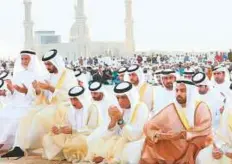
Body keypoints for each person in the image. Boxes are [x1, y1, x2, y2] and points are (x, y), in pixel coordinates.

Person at [1, 49, 76, 158]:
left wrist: (49, 87)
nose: (47, 67)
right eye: (46, 64)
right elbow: (41, 96)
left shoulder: (68, 74)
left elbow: (69, 95)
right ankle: (18, 147)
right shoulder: (48, 76)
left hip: (63, 105)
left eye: (49, 64)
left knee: (39, 117)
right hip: (48, 104)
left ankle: (27, 146)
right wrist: (37, 90)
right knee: (27, 116)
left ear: (56, 63)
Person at [140, 78, 212, 164]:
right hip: (176, 143)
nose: (178, 94)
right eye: (177, 90)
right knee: (150, 142)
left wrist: (184, 134)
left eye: (182, 91)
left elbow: (205, 128)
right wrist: (158, 135)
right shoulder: (173, 107)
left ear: (190, 92)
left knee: (194, 143)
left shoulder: (200, 106)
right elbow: (150, 125)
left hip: (193, 141)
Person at [88, 81, 149, 163]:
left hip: (134, 141)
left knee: (128, 150)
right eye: (118, 98)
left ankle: (107, 159)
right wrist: (113, 120)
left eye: (123, 97)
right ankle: (106, 157)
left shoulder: (141, 107)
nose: (120, 101)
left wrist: (120, 120)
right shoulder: (120, 109)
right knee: (97, 140)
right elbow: (112, 132)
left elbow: (135, 136)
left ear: (130, 96)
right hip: (119, 139)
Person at [0, 50, 44, 151]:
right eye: (22, 59)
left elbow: (39, 96)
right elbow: (14, 94)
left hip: (30, 105)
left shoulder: (38, 75)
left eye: (26, 59)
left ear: (32, 60)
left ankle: (4, 143)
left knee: (16, 118)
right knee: (2, 115)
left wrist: (26, 91)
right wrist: (10, 90)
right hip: (16, 104)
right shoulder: (17, 75)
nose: (24, 61)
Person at [42, 86, 99, 162]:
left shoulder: (92, 108)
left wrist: (74, 130)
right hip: (70, 136)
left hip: (85, 136)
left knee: (78, 143)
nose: (73, 102)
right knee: (48, 138)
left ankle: (68, 152)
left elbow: (92, 129)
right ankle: (66, 152)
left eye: (75, 99)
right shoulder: (70, 109)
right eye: (71, 99)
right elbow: (66, 124)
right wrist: (59, 129)